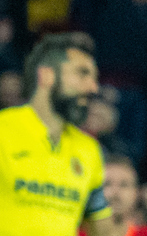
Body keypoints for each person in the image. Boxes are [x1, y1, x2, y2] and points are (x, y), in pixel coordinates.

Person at [0, 32, 116, 236]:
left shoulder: (90, 150)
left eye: (94, 78)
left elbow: (102, 230)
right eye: (82, 73)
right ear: (46, 76)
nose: (92, 87)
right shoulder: (3, 129)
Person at [100, 155, 147, 236]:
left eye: (124, 185)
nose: (115, 192)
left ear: (136, 193)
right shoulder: (80, 232)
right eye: (107, 184)